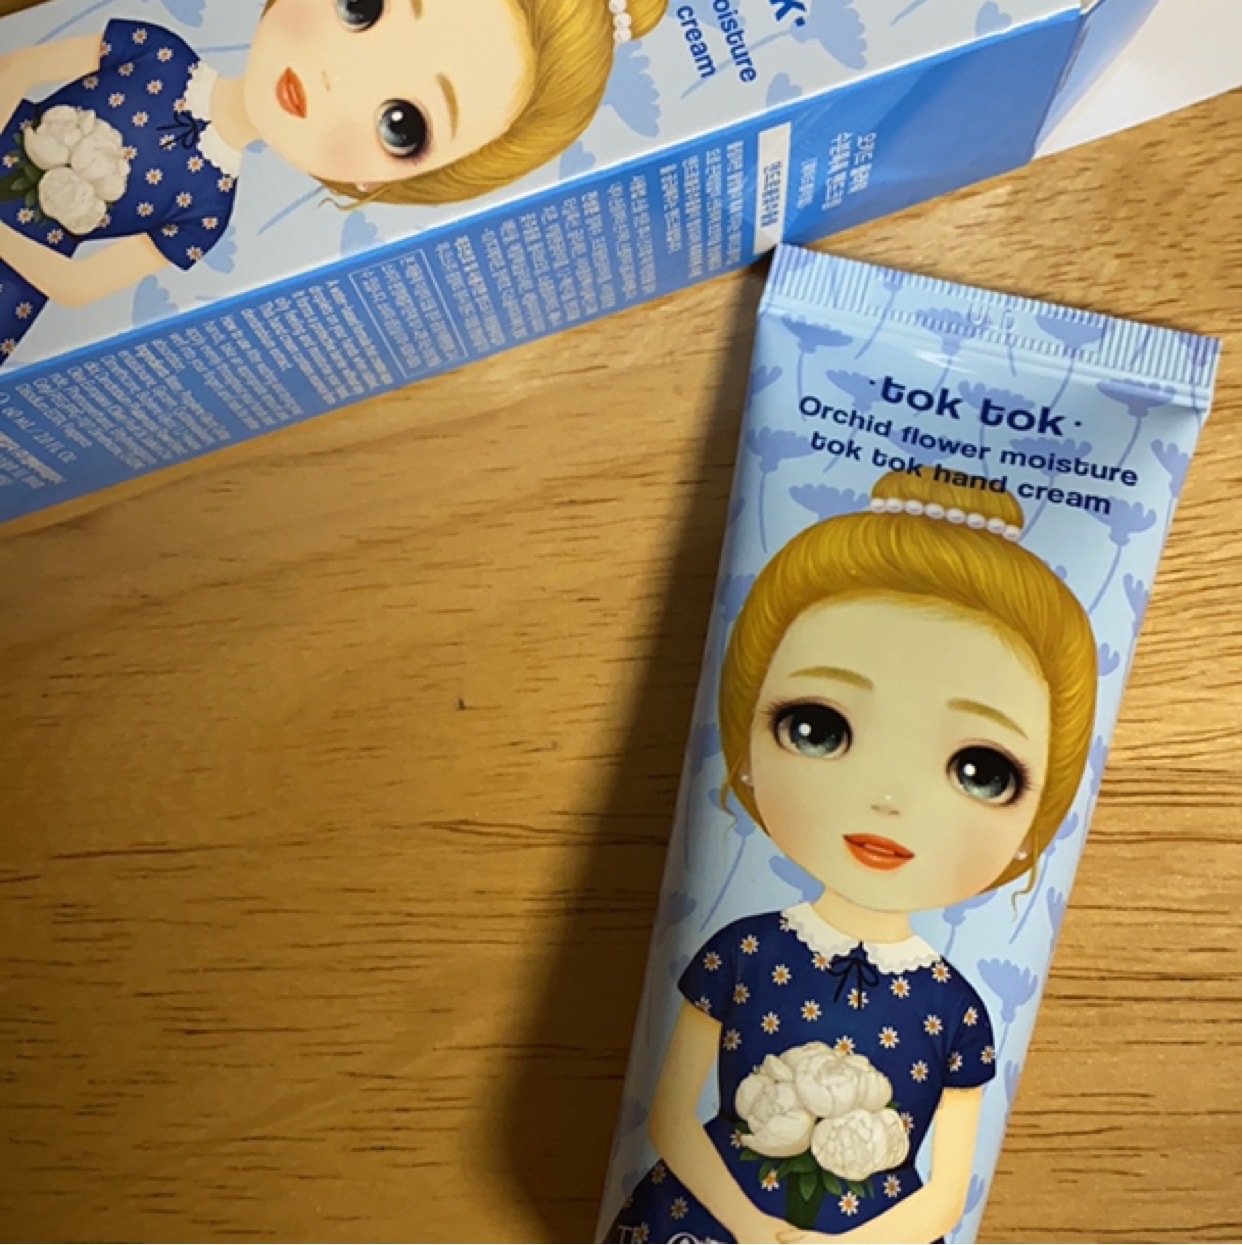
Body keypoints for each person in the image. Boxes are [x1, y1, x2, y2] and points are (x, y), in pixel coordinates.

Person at [607, 472, 1097, 1244]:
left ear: (1036, 826)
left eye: (981, 771)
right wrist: (753, 1226)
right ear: (742, 750)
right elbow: (671, 1118)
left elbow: (946, 1196)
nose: (889, 800)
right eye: (817, 727)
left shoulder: (956, 1010)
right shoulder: (743, 951)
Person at [0, 0, 668, 362]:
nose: (334, 77)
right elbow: (16, 66)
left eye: (401, 124)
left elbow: (79, 288)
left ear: (379, 185)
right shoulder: (160, 51)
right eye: (361, 8)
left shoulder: (207, 209)